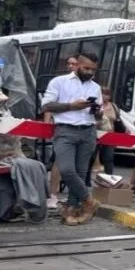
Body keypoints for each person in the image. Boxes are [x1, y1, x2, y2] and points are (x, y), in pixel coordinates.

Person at [40, 52, 103, 226]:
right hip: (66, 130)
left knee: (82, 173)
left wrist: (97, 112)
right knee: (67, 170)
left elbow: (98, 117)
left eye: (93, 70)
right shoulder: (59, 82)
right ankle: (90, 201)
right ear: (77, 65)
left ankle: (72, 210)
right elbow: (45, 105)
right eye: (86, 68)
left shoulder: (95, 87)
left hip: (88, 131)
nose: (90, 72)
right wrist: (71, 106)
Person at [44, 56, 80, 209]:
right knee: (59, 163)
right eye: (69, 63)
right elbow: (49, 105)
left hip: (81, 128)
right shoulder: (60, 82)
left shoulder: (87, 84)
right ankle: (53, 195)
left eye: (74, 64)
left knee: (77, 166)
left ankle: (74, 197)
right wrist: (47, 124)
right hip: (62, 128)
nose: (71, 66)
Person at [86, 86, 120, 184]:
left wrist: (124, 130)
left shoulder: (113, 106)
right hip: (95, 134)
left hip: (110, 135)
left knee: (108, 158)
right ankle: (86, 179)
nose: (105, 96)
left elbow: (118, 120)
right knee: (91, 157)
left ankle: (109, 180)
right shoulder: (96, 105)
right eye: (103, 94)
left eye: (107, 94)